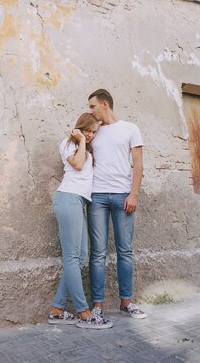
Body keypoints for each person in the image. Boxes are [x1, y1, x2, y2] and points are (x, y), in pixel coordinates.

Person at [48, 113, 113, 329]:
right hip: (68, 198)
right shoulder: (68, 143)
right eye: (89, 130)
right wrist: (82, 140)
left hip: (79, 202)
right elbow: (76, 165)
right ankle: (84, 313)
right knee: (72, 258)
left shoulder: (87, 147)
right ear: (81, 128)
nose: (91, 135)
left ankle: (57, 310)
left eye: (94, 132)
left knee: (81, 257)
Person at [87, 89, 147, 319]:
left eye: (92, 106)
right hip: (97, 197)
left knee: (125, 251)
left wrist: (134, 195)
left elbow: (138, 165)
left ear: (105, 104)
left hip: (123, 196)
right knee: (98, 253)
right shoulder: (94, 131)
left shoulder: (130, 129)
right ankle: (98, 307)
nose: (90, 110)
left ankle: (126, 302)